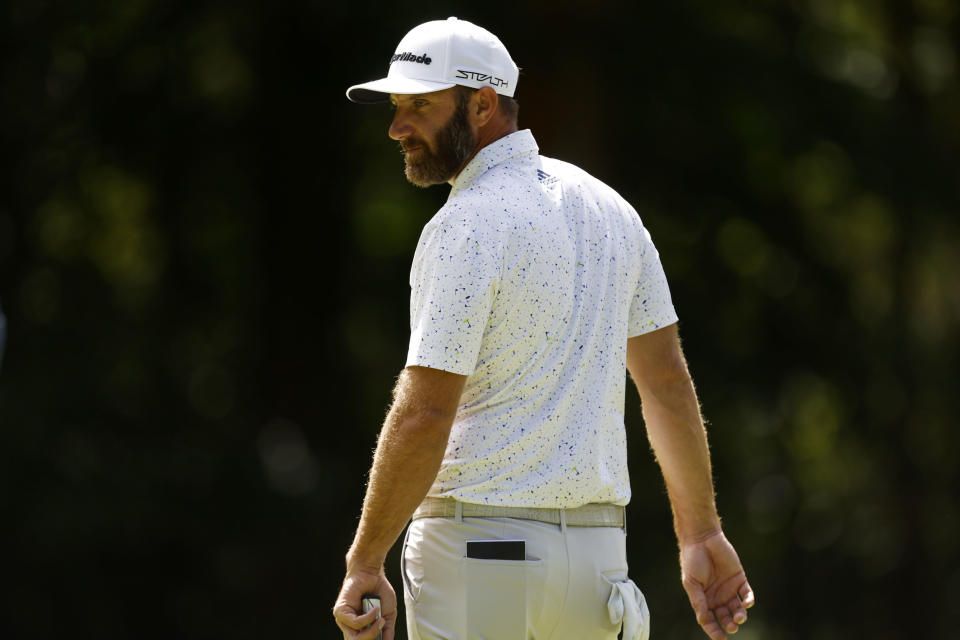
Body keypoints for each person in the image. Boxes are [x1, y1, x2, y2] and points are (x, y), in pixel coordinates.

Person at [333, 17, 754, 640]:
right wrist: (701, 533)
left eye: (419, 105)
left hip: (477, 555)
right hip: (597, 565)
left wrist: (365, 559)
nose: (397, 126)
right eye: (397, 107)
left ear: (481, 104)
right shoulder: (612, 211)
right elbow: (665, 382)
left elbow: (424, 414)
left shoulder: (464, 225)